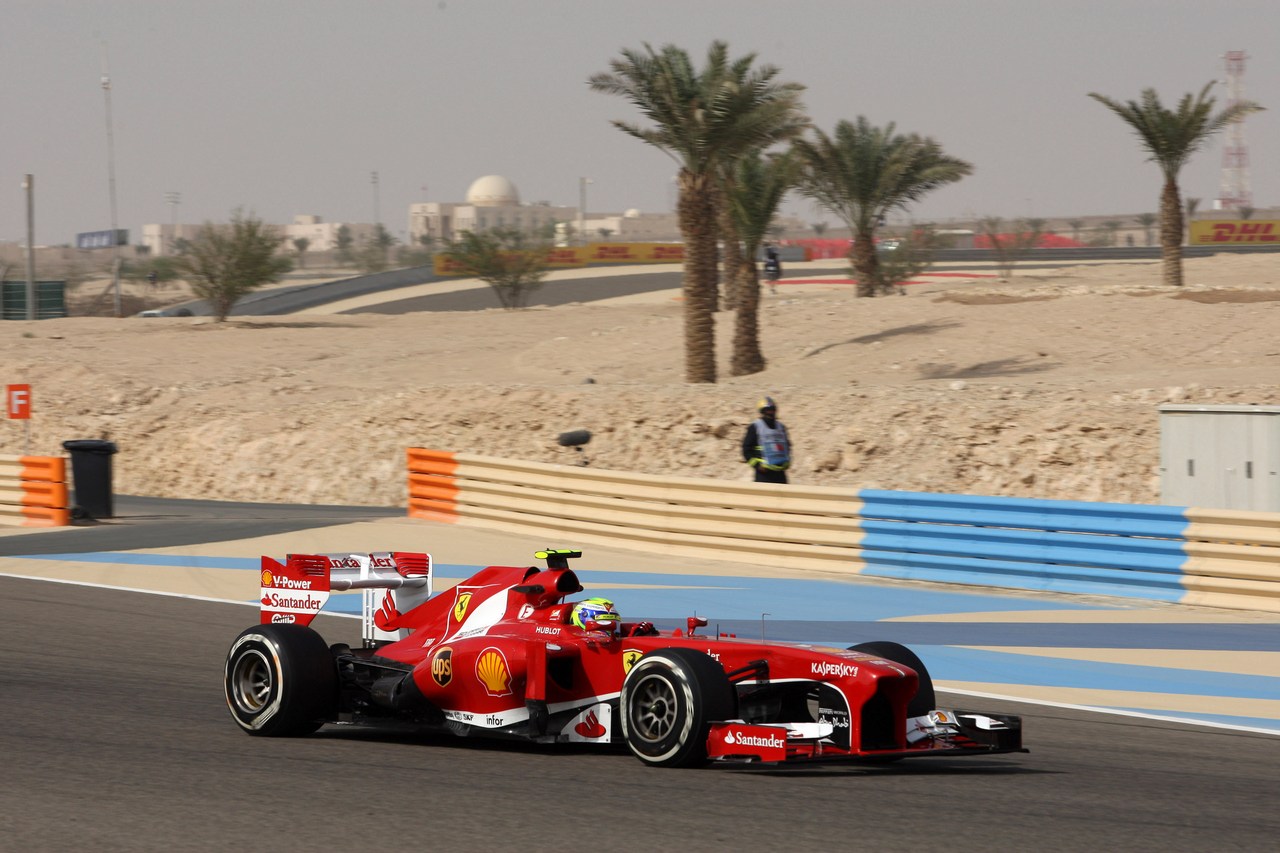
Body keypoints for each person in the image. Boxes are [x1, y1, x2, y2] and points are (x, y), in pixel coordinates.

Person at [742, 396, 791, 484]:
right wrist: (757, 465)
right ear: (762, 411)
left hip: (780, 472)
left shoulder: (781, 427)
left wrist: (788, 460)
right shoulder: (755, 427)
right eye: (768, 410)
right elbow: (746, 450)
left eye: (773, 409)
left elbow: (787, 445)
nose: (771, 412)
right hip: (764, 473)